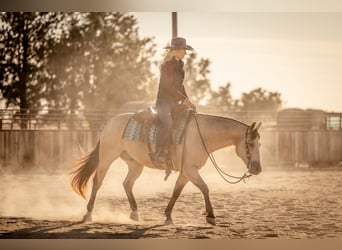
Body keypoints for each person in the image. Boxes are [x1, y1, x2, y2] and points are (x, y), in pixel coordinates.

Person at [154, 37, 196, 166]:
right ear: (176, 51)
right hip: (163, 103)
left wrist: (187, 100)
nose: (185, 53)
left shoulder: (179, 65)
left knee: (188, 120)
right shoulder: (168, 66)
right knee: (167, 123)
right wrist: (183, 99)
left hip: (173, 103)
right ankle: (159, 152)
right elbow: (168, 86)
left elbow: (180, 86)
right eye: (184, 50)